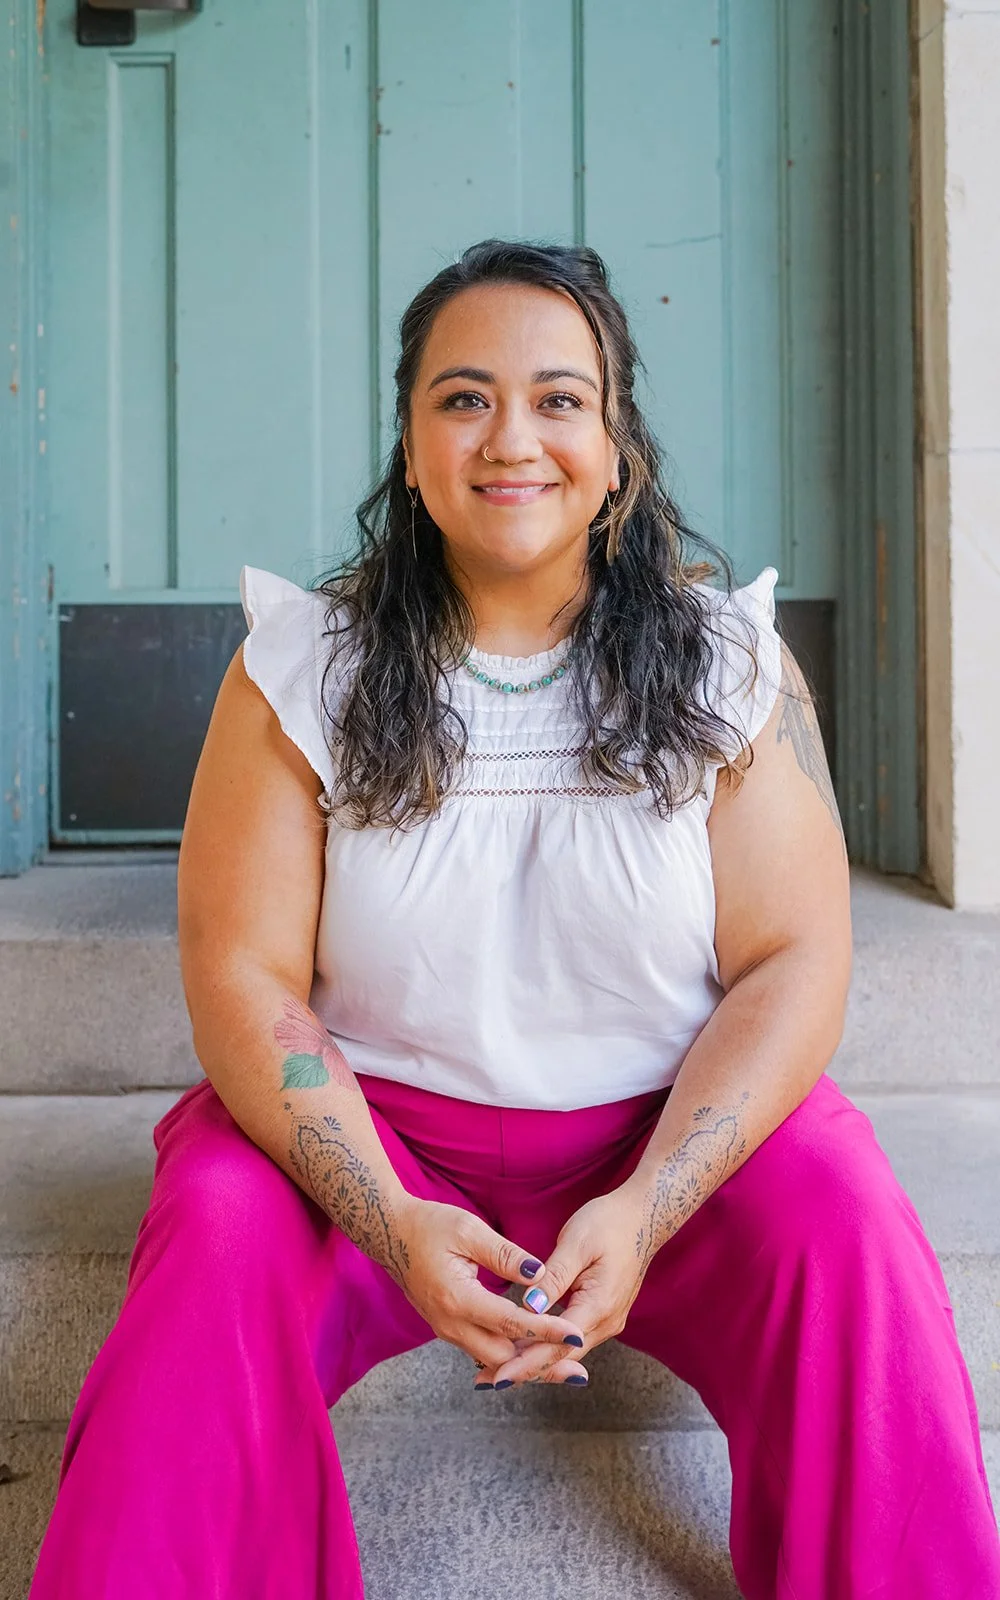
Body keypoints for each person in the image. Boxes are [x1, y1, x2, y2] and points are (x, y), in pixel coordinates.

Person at [30, 239, 1000, 1600]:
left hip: (664, 1133)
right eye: (463, 398)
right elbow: (246, 978)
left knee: (844, 1218)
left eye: (560, 399)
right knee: (219, 1230)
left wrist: (651, 1204)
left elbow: (794, 961)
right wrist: (392, 1221)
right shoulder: (300, 668)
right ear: (413, 450)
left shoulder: (731, 665)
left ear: (618, 449)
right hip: (375, 1137)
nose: (512, 439)